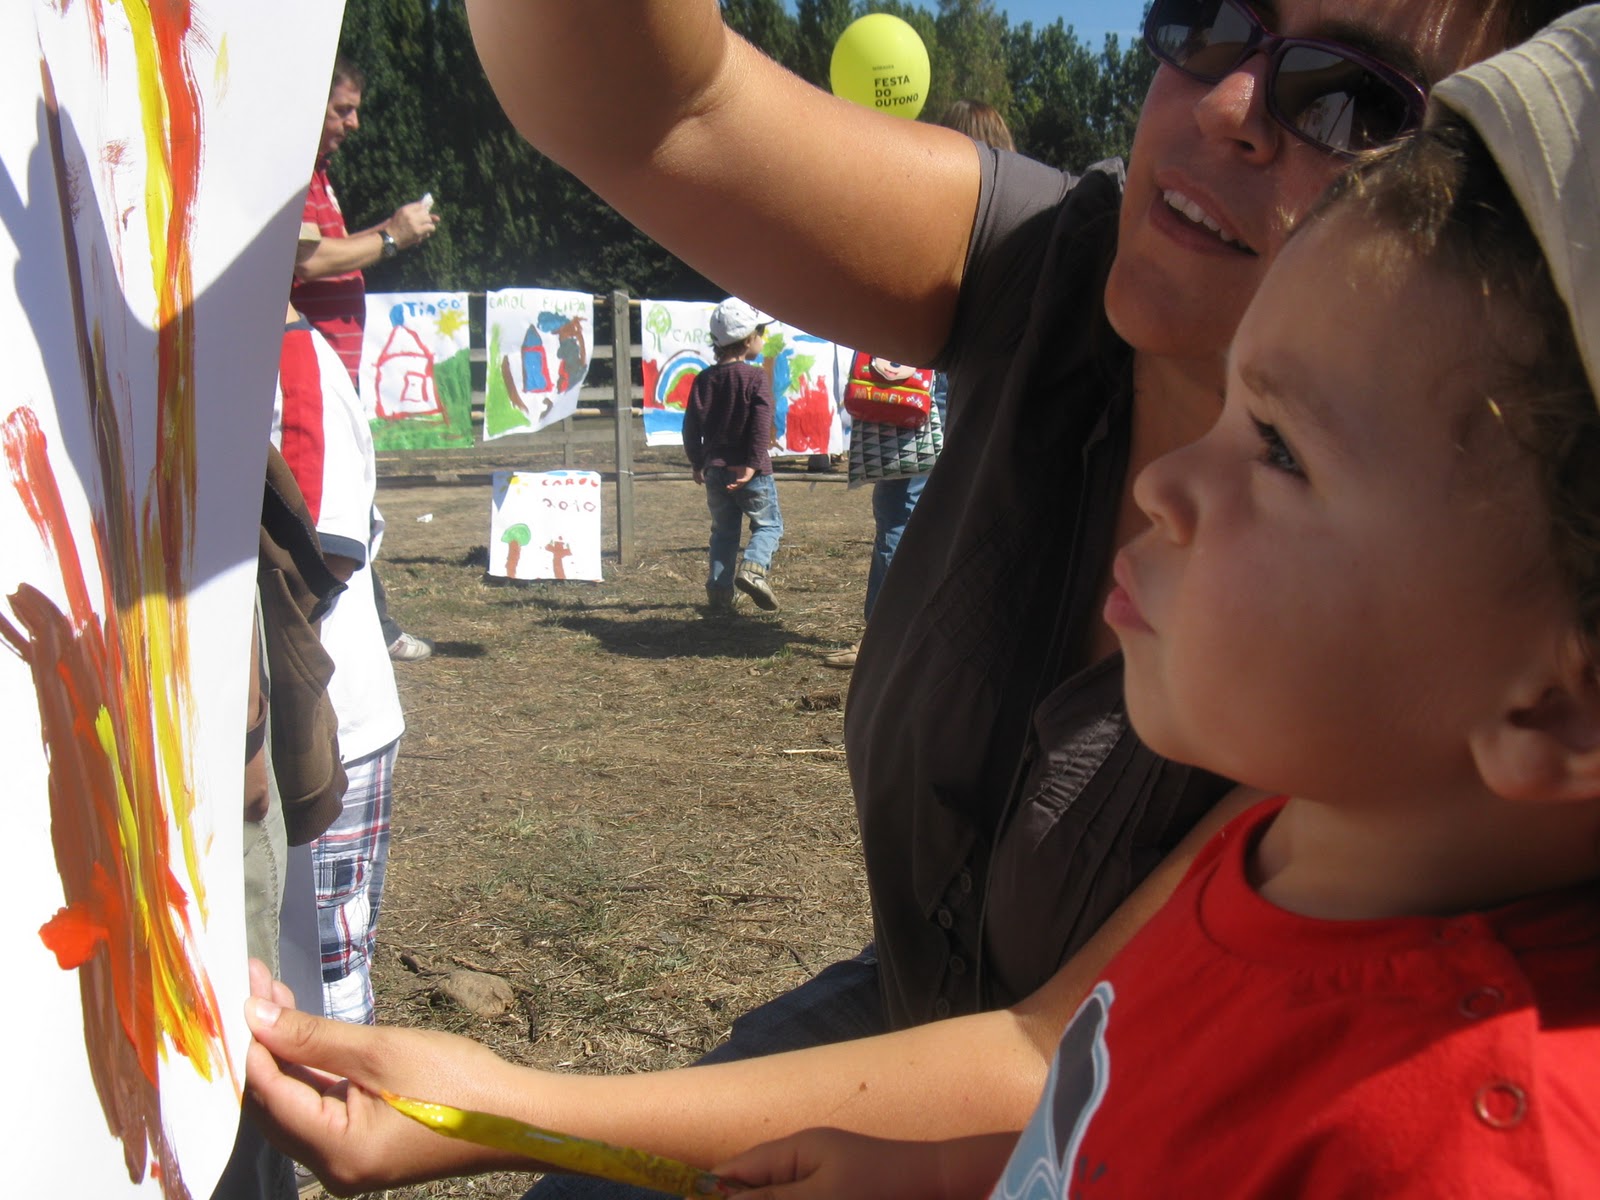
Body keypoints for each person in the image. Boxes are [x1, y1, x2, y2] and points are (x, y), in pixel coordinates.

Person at [241, 1, 1587, 1194]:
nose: (1231, 98)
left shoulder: (1422, 806)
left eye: (1351, 100)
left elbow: (1060, 1060)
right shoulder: (1066, 263)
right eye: (1206, 16)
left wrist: (509, 1110)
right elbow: (652, 98)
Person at [716, 15, 1600, 1193]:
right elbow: (1120, 1121)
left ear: (1560, 705)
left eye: (1278, 449)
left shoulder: (1455, 1155)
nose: (1163, 487)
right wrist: (933, 1173)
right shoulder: (1269, 867)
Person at [823, 100, 1014, 671]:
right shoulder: (1017, 218)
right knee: (965, 510)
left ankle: (883, 640)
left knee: (900, 511)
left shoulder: (928, 213)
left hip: (921, 382)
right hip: (979, 381)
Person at [272, 305, 406, 1029]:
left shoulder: (289, 357)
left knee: (323, 962)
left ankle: (340, 1091)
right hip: (285, 718)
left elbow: (320, 558)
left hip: (326, 725)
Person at [291, 54, 438, 664]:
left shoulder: (317, 174)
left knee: (347, 508)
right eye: (342, 109)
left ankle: (365, 626)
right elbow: (303, 260)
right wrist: (390, 238)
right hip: (307, 382)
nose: (353, 123)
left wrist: (387, 231)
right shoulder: (294, 173)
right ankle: (346, 633)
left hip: (327, 378)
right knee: (333, 513)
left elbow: (327, 251)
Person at [683, 298, 784, 613]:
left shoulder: (703, 380)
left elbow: (690, 426)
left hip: (715, 470)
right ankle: (753, 570)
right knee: (768, 526)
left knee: (724, 532)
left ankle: (718, 594)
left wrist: (697, 461)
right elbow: (760, 424)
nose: (762, 340)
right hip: (751, 472)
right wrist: (753, 464)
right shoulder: (755, 378)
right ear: (749, 338)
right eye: (760, 333)